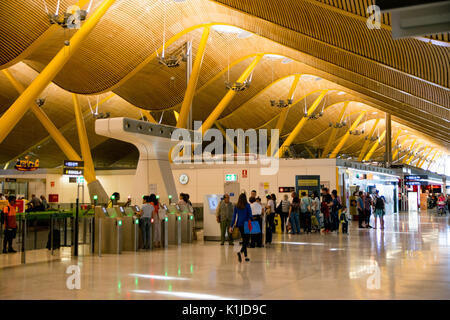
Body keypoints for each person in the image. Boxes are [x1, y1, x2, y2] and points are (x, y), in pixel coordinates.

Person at [229, 193, 253, 263]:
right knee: (246, 240)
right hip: (246, 224)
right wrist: (250, 219)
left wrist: (231, 226)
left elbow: (234, 217)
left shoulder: (237, 205)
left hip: (239, 224)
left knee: (244, 240)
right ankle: (240, 252)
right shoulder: (247, 205)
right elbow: (250, 215)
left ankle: (246, 256)